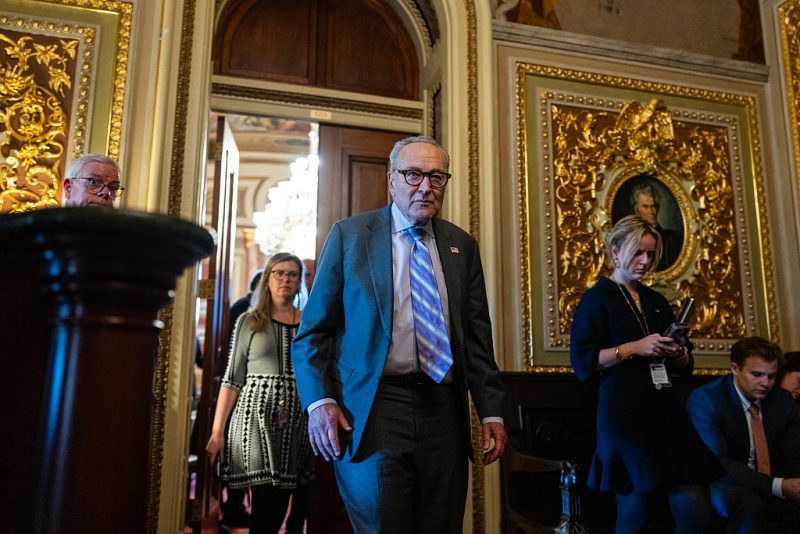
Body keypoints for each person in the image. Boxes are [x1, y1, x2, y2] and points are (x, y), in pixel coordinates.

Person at [291, 135, 506, 533]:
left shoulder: (462, 246)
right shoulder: (350, 236)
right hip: (373, 409)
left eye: (436, 176)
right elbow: (312, 334)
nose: (425, 186)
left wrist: (490, 409)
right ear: (391, 180)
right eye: (413, 174)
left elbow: (477, 337)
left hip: (444, 410)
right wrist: (319, 402)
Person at [570, 214, 721, 533]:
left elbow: (683, 365)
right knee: (633, 513)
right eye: (638, 252)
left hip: (666, 411)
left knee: (696, 511)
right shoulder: (596, 300)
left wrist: (678, 352)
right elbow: (584, 360)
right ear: (614, 250)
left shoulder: (656, 301)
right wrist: (634, 348)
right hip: (623, 415)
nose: (645, 261)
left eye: (651, 254)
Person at [206, 253, 314, 534]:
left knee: (286, 498)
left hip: (298, 423)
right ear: (267, 279)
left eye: (292, 274)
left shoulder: (310, 321)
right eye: (279, 273)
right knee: (266, 500)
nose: (285, 279)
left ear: (299, 282)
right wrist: (217, 433)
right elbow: (232, 379)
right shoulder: (248, 321)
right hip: (255, 421)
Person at [687, 337, 800, 533]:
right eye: (757, 374)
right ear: (735, 369)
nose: (765, 383)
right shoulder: (707, 400)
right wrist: (777, 485)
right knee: (749, 502)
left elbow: (795, 452)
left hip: (771, 479)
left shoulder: (781, 400)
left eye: (771, 376)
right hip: (721, 481)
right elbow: (720, 463)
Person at [217, 270, 262, 530]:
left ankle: (236, 507)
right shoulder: (245, 313)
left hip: (237, 387)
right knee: (240, 457)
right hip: (240, 389)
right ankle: (234, 507)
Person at [629, 182, 681, 270]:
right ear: (636, 210)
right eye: (646, 206)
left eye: (654, 206)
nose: (652, 212)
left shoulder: (671, 240)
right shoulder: (628, 238)